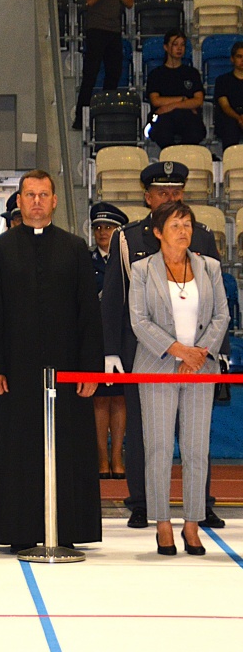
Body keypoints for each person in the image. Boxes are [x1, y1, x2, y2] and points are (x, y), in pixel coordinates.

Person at [0, 170, 104, 553]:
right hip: (15, 373)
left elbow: (88, 314)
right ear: (19, 201)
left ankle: (67, 530)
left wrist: (90, 369)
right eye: (29, 195)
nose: (36, 201)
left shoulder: (74, 248)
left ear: (54, 201)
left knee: (68, 447)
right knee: (17, 449)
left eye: (43, 195)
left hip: (67, 371)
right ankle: (17, 530)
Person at [102, 161, 226, 530]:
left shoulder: (200, 236)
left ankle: (200, 505)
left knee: (196, 438)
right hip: (147, 352)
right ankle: (142, 503)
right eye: (162, 192)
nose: (170, 197)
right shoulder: (128, 238)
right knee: (146, 435)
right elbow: (115, 297)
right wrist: (110, 350)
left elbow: (216, 304)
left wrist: (208, 350)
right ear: (148, 197)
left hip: (199, 357)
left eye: (176, 192)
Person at [130, 201, 228, 557]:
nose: (183, 231)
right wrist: (178, 351)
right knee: (158, 449)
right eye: (175, 225)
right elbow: (139, 320)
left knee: (196, 449)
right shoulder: (142, 269)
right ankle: (162, 523)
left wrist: (198, 352)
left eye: (187, 224)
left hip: (201, 368)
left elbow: (221, 316)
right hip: (157, 367)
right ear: (158, 232)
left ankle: (192, 523)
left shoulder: (209, 267)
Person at [73, 0, 133, 131]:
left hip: (114, 30)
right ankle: (80, 119)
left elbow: (129, 2)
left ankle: (106, 117)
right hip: (97, 28)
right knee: (90, 75)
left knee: (114, 74)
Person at [89, 201, 129, 480]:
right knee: (100, 400)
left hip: (123, 337)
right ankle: (102, 457)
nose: (103, 232)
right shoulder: (85, 260)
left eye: (109, 227)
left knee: (121, 399)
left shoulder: (128, 260)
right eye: (98, 227)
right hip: (96, 338)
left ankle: (118, 456)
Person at [146, 29, 205, 148]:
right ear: (166, 47)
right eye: (175, 44)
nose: (179, 48)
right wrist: (183, 99)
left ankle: (185, 155)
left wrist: (171, 106)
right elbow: (156, 101)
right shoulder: (156, 74)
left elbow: (198, 100)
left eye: (182, 45)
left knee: (195, 132)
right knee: (162, 133)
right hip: (162, 117)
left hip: (186, 116)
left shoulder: (192, 73)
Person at [213, 41, 243, 147]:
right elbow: (225, 106)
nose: (242, 60)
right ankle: (229, 157)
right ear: (232, 59)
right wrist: (239, 118)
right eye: (239, 56)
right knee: (230, 126)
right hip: (229, 119)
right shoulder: (222, 81)